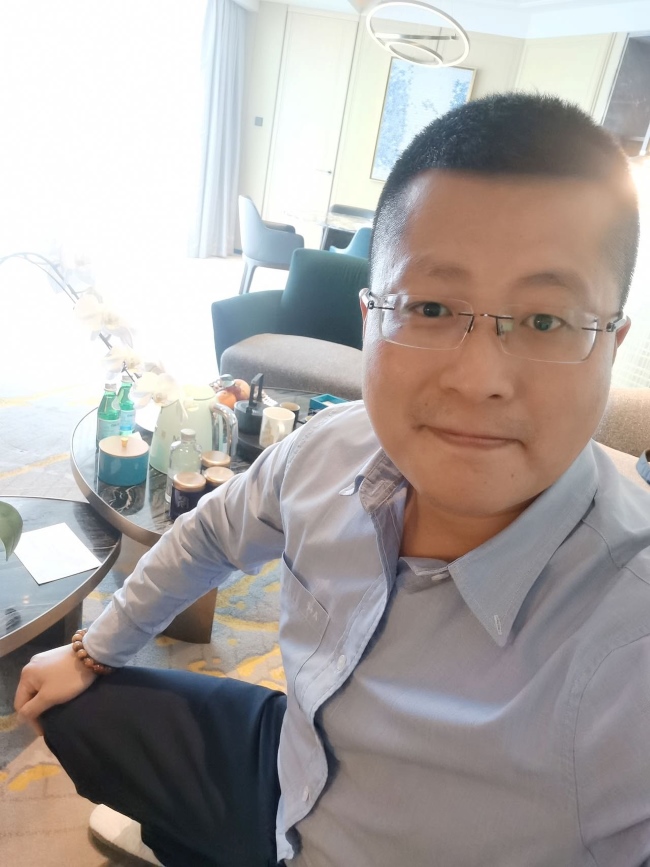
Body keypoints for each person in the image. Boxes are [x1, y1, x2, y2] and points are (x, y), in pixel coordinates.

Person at [15, 92, 650, 867]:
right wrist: (91, 651)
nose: (479, 378)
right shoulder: (331, 447)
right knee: (73, 706)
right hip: (293, 763)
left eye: (546, 320)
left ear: (612, 343)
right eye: (430, 305)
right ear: (369, 319)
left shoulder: (632, 639)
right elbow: (209, 534)